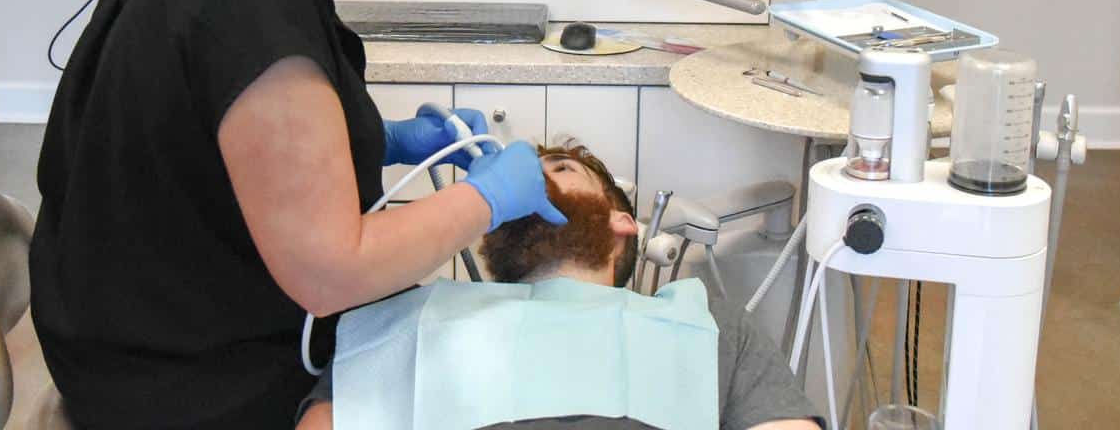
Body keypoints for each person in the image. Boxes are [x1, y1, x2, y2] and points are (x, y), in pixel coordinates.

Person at [28, 0, 566, 429]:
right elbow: (330, 272)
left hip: (117, 320)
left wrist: (378, 137)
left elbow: (212, 142)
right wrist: (487, 201)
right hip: (174, 381)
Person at [297, 141, 824, 430]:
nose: (533, 181)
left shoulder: (708, 327)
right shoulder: (408, 316)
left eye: (559, 169)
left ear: (622, 221)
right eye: (516, 177)